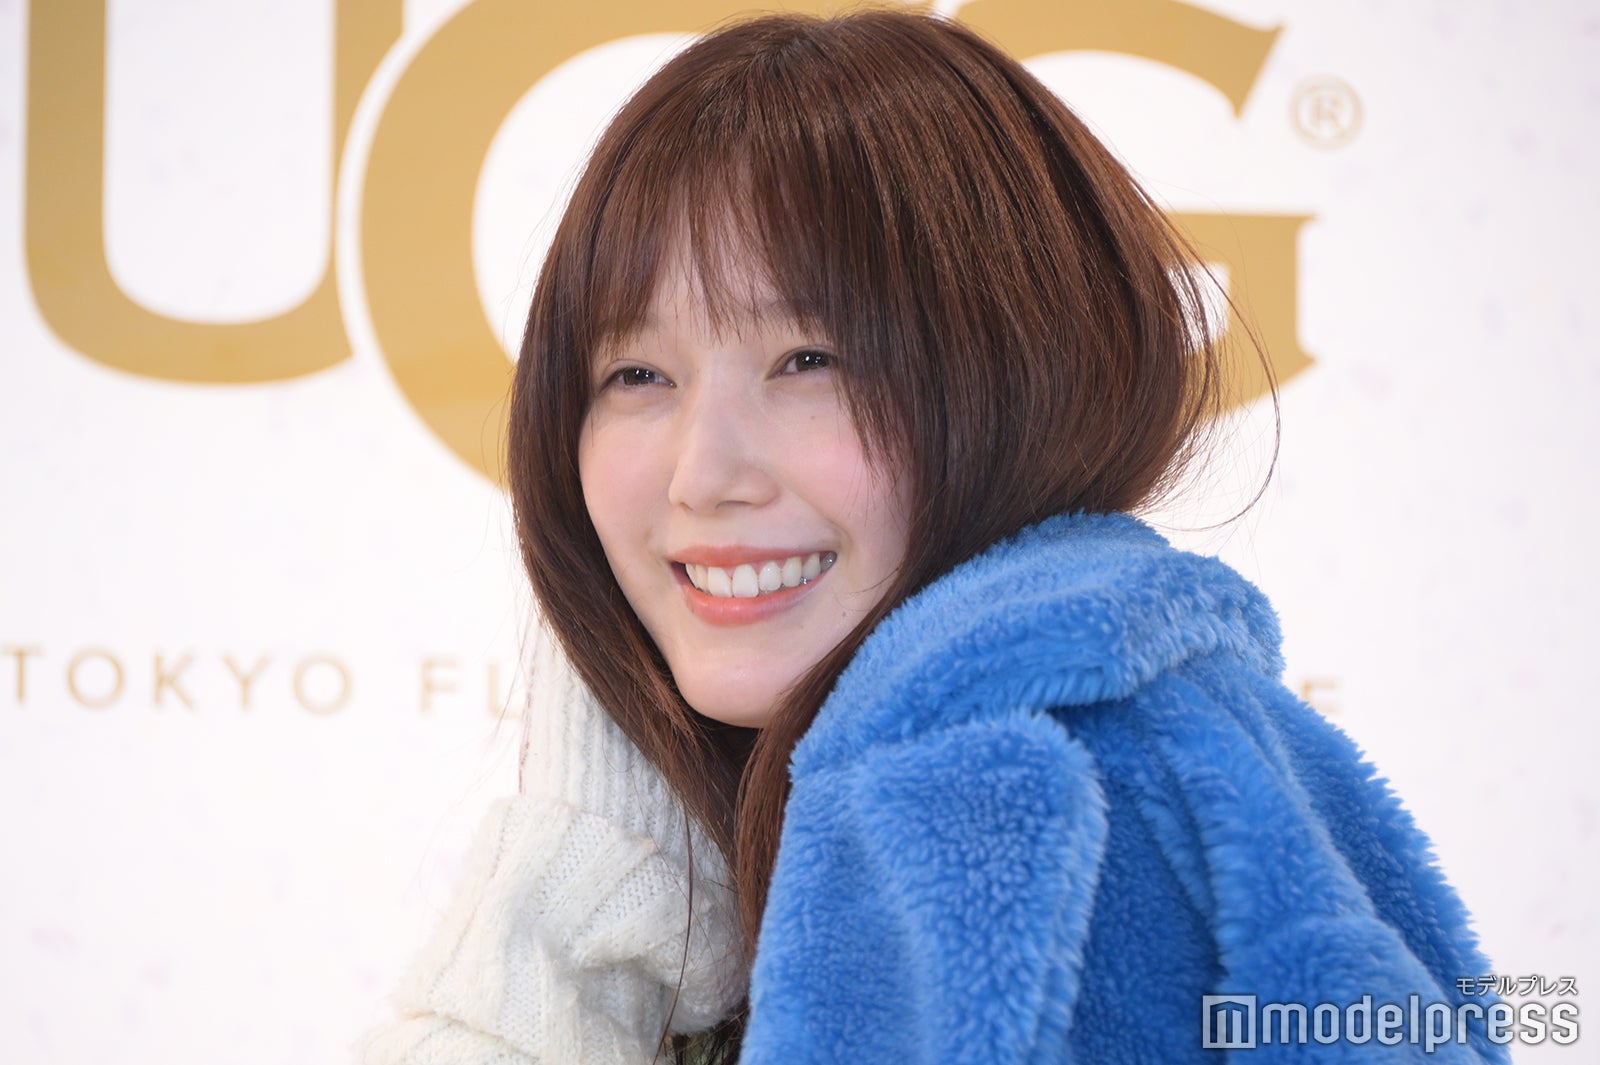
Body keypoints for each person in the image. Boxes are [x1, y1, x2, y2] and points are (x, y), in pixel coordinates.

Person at [359, 9, 1505, 1063]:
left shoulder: (996, 789)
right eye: (636, 373)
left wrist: (564, 924)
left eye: (808, 359)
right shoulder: (998, 763)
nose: (701, 475)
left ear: (1018, 369)